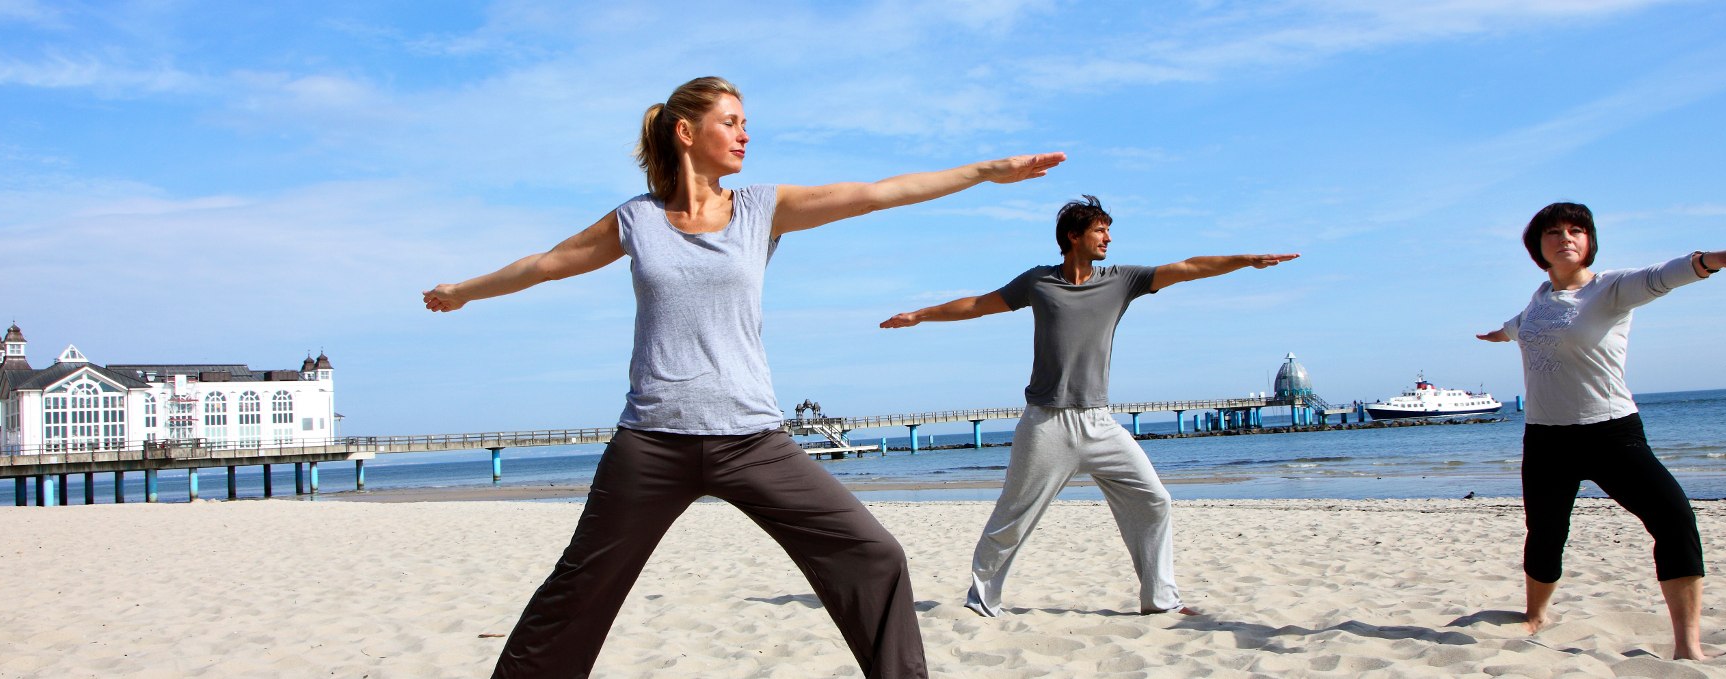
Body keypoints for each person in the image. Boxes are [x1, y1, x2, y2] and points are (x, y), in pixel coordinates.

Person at [422, 76, 1064, 679]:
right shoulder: (637, 221)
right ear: (684, 132)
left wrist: (986, 172)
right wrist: (464, 291)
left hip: (753, 439)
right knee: (580, 585)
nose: (744, 134)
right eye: (730, 122)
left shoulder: (762, 208)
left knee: (874, 556)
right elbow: (548, 263)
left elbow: (877, 191)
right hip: (651, 441)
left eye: (745, 123)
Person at [879, 195, 1297, 617]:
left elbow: (1188, 268)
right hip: (1046, 424)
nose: (1108, 239)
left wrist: (1246, 259)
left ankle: (1161, 601)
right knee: (1014, 516)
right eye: (1100, 230)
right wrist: (919, 315)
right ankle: (983, 600)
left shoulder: (1122, 280)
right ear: (1072, 236)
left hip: (1099, 423)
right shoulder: (1038, 282)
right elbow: (977, 305)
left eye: (1108, 231)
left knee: (1154, 501)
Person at [1475, 202, 1726, 660]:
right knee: (1546, 533)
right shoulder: (1537, 301)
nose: (1566, 238)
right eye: (1553, 232)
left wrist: (1707, 262)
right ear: (1538, 247)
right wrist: (1499, 334)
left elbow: (1660, 276)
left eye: (1577, 230)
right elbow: (1517, 329)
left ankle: (1688, 646)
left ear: (1590, 241)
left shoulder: (1611, 289)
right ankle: (1535, 616)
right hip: (1546, 439)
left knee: (1674, 519)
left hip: (1611, 433)